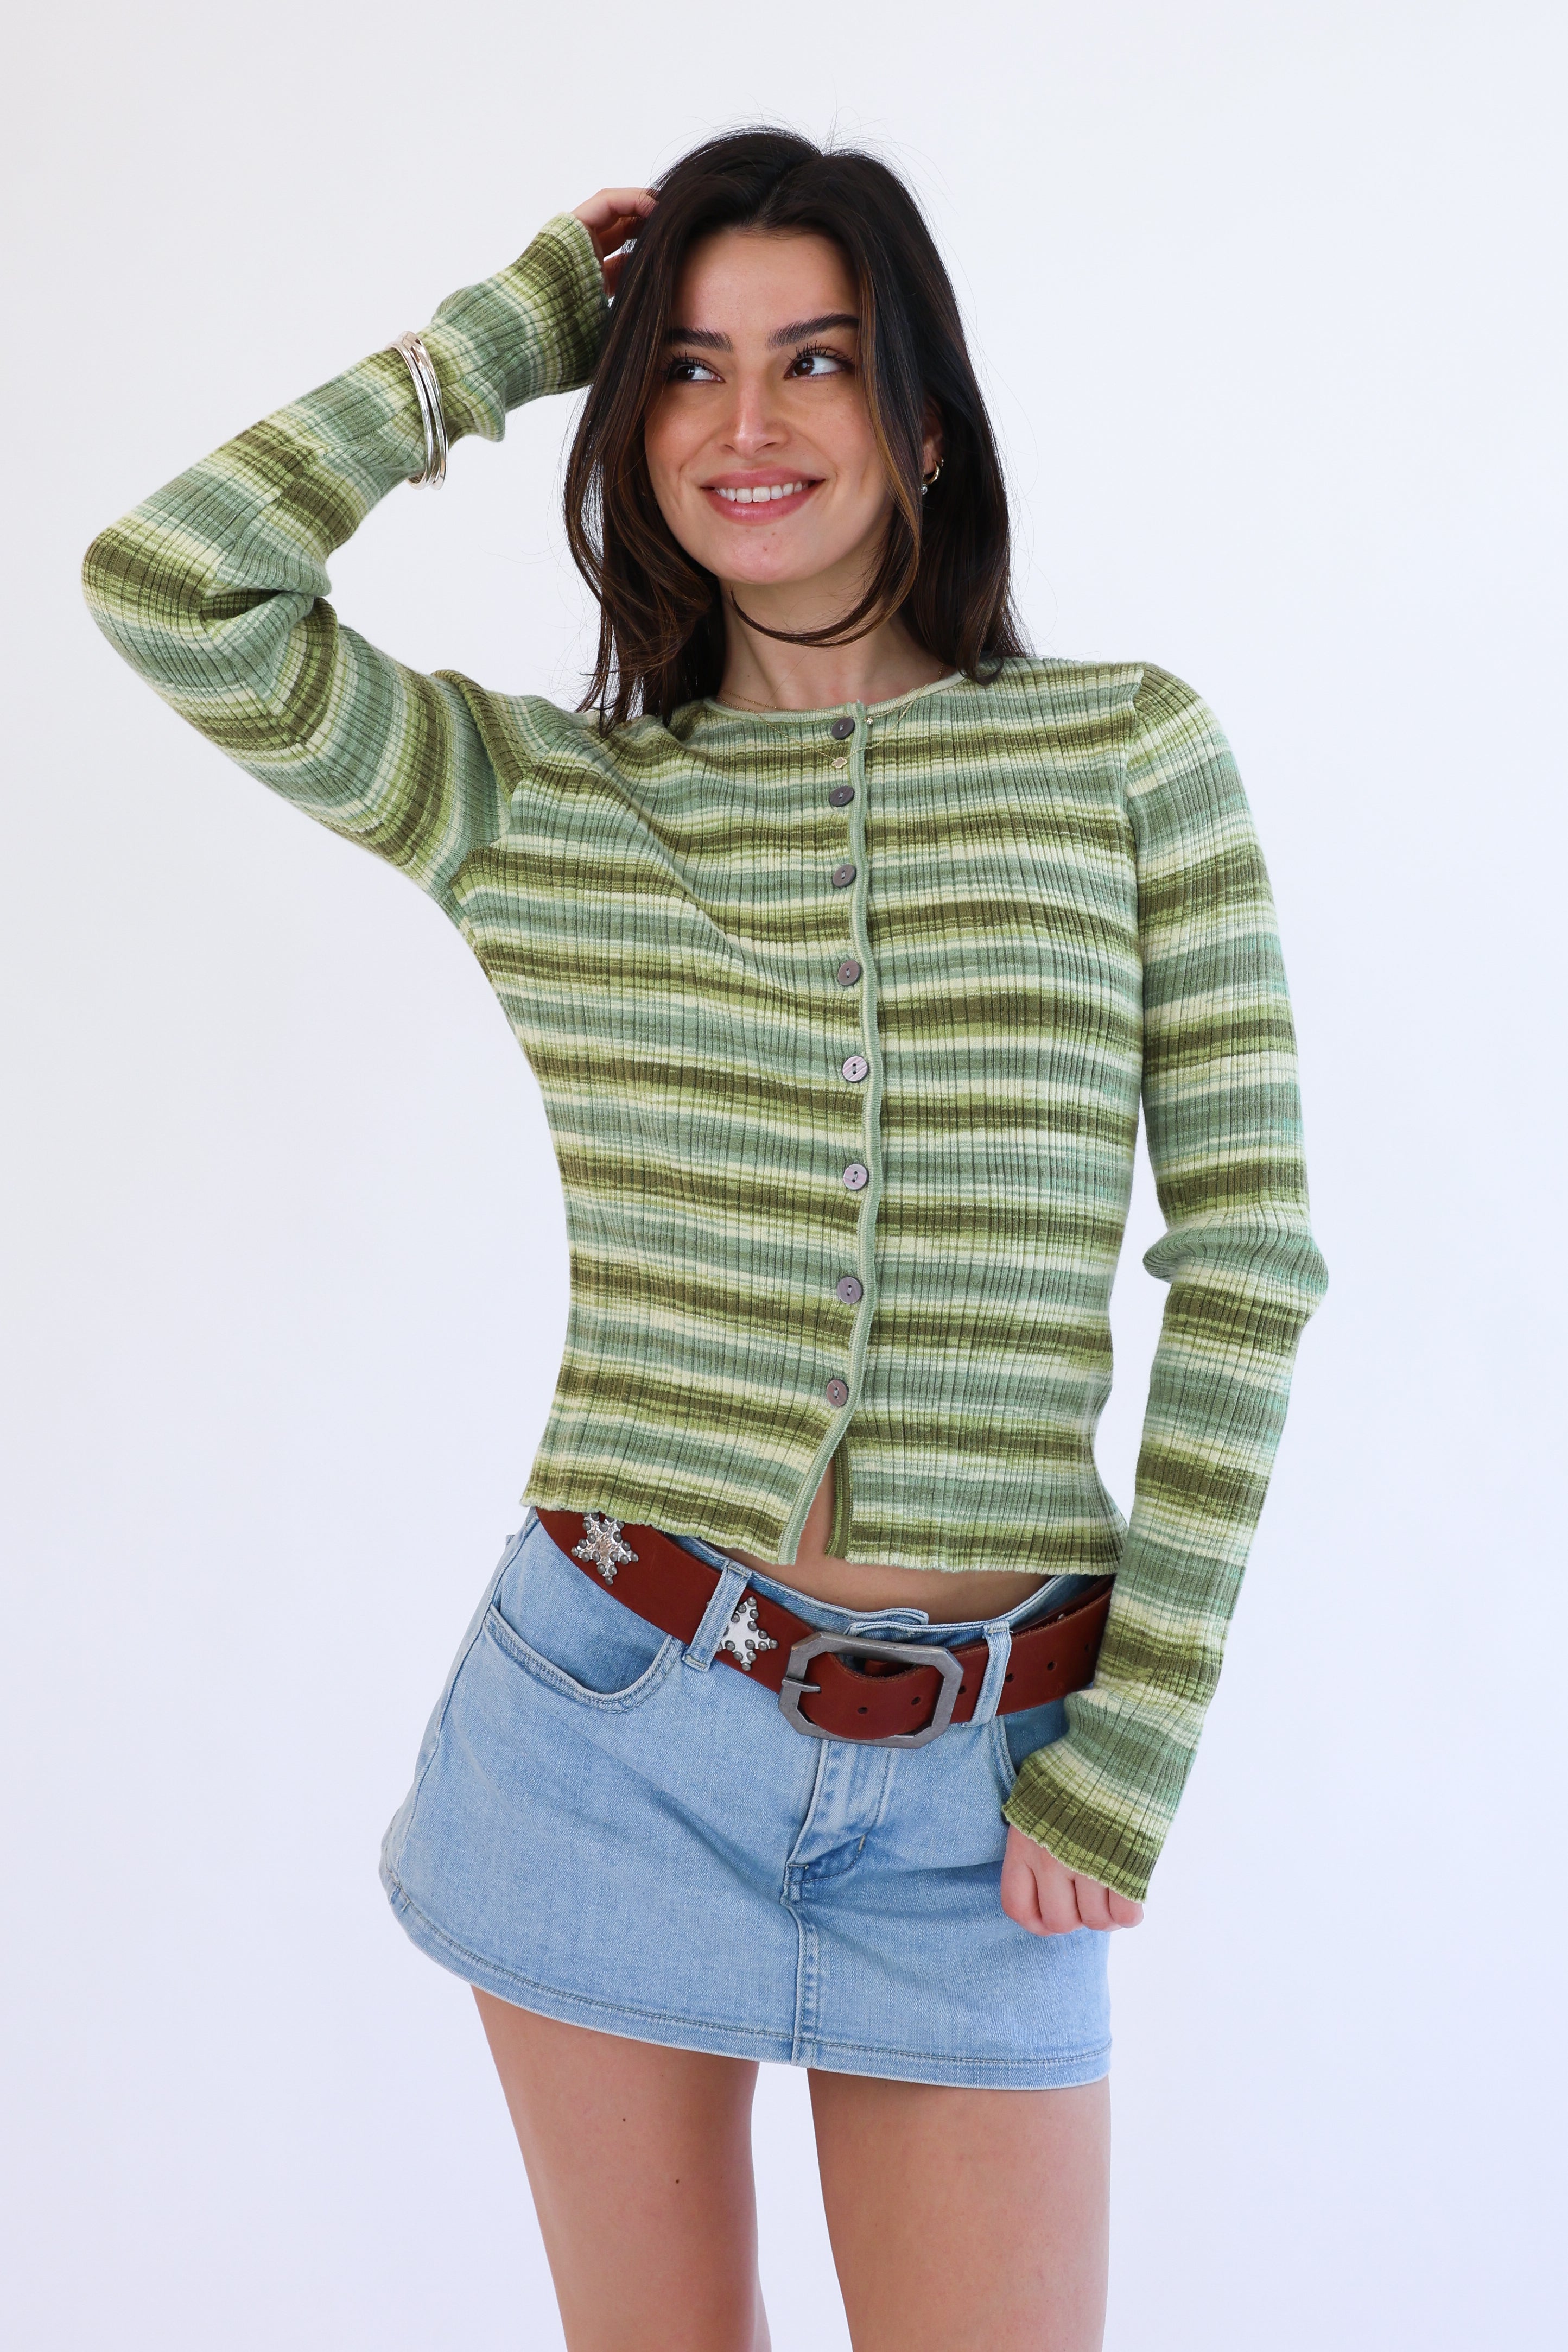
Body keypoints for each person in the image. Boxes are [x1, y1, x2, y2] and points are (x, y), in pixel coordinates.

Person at [84, 127, 1326, 2352]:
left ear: (922, 420)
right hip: (607, 1732)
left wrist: (1138, 1739)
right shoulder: (547, 804)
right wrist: (515, 332)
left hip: (995, 1781)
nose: (746, 422)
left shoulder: (1128, 756)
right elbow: (174, 584)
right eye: (686, 366)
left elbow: (1247, 1262)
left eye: (816, 360)